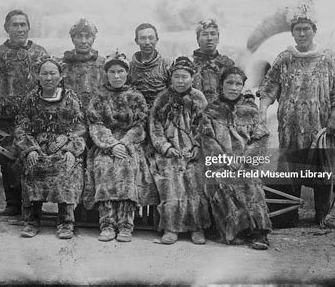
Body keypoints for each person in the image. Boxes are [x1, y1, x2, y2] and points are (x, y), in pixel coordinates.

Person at [258, 5, 335, 227]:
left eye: (306, 29)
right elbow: (269, 88)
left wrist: (334, 115)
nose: (302, 33)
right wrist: (263, 108)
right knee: (290, 169)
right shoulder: (285, 58)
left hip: (320, 128)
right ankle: (288, 215)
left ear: (314, 30)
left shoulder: (328, 58)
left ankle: (321, 215)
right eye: (298, 29)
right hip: (290, 128)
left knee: (321, 171)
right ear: (292, 32)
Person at [0, 10, 48, 216]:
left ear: (29, 27)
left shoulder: (40, 54)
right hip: (2, 118)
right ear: (7, 28)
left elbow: (53, 81)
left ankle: (31, 206)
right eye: (15, 25)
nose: (20, 29)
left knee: (30, 158)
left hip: (31, 118)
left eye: (23, 24)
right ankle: (12, 204)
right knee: (5, 159)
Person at [13, 57, 86, 239]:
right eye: (44, 73)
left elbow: (79, 127)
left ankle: (65, 222)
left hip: (62, 147)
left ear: (61, 76)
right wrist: (30, 149)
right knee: (32, 165)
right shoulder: (30, 99)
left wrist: (71, 149)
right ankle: (31, 220)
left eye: (53, 73)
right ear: (38, 76)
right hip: (37, 147)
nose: (48, 77)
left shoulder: (70, 98)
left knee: (67, 167)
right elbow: (21, 126)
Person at [200, 66, 272, 250]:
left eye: (238, 84)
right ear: (221, 85)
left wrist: (244, 159)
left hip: (246, 163)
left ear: (242, 86)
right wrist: (225, 160)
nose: (233, 87)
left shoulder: (251, 110)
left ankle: (259, 232)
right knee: (223, 181)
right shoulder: (211, 111)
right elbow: (207, 140)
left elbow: (260, 139)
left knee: (250, 182)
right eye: (229, 83)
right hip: (219, 163)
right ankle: (235, 230)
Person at [83, 51, 151, 242]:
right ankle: (107, 223)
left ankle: (125, 224)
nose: (116, 76)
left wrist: (125, 142)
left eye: (120, 71)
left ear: (127, 73)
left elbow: (140, 124)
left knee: (127, 166)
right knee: (103, 166)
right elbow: (96, 124)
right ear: (107, 74)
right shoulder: (99, 98)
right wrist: (111, 145)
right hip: (105, 144)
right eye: (112, 72)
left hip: (130, 143)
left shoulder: (136, 97)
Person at [149, 56, 211, 245]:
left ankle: (197, 228)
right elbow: (155, 126)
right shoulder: (163, 98)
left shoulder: (198, 98)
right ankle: (171, 227)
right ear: (171, 78)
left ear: (192, 78)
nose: (181, 81)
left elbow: (205, 125)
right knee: (170, 180)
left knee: (195, 180)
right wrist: (166, 147)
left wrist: (197, 146)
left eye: (185, 77)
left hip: (192, 151)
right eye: (177, 76)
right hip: (168, 152)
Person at [62, 18, 106, 110]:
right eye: (79, 36)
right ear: (73, 39)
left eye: (87, 36)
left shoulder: (103, 64)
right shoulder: (62, 64)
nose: (83, 41)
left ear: (93, 39)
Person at [192, 19, 235, 102]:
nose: (209, 38)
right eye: (204, 34)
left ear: (218, 38)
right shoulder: (189, 64)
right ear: (197, 39)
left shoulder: (227, 64)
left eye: (213, 34)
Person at [129, 23, 170, 108]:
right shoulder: (129, 68)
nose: (147, 42)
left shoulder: (166, 65)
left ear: (157, 40)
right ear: (136, 41)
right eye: (143, 38)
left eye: (151, 38)